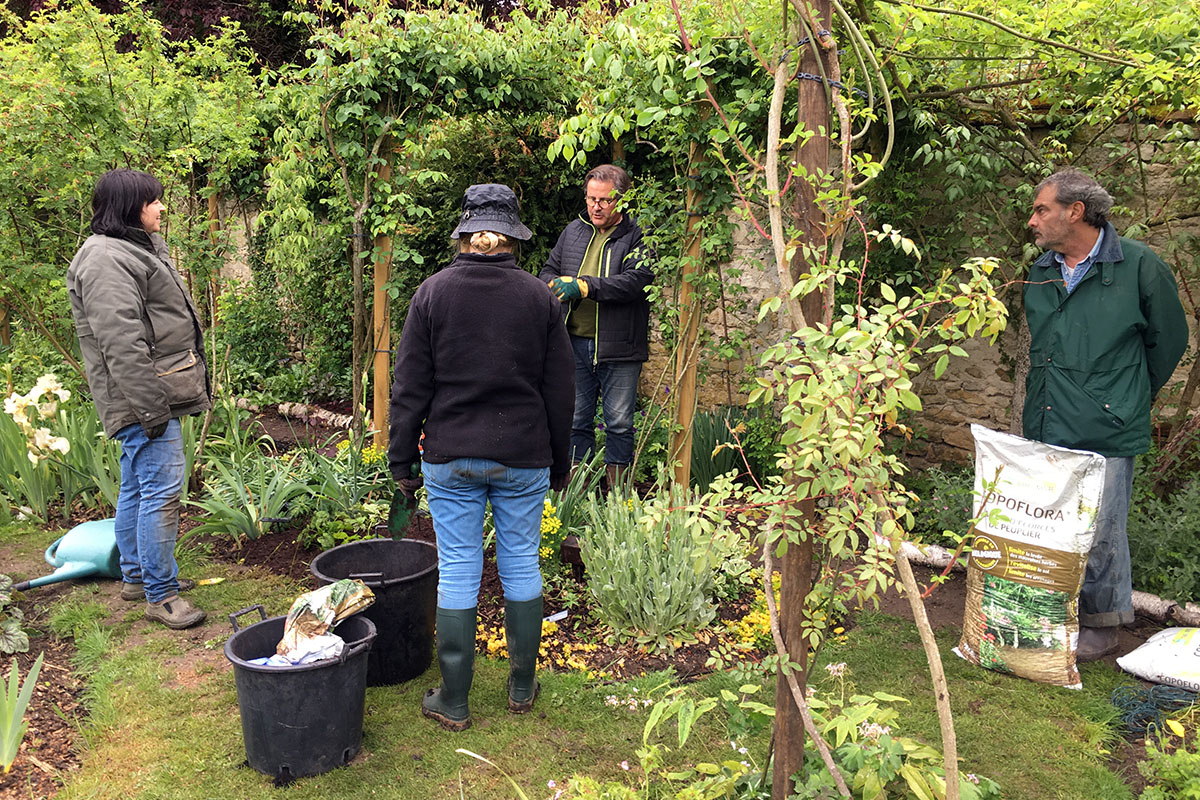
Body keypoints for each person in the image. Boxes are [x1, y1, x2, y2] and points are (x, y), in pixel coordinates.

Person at [389, 184, 574, 731]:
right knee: (520, 565)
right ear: (514, 233)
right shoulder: (540, 298)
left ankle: (455, 698)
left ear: (465, 232)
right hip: (523, 456)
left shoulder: (431, 294)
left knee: (459, 572)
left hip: (451, 455)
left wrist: (402, 465)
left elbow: (409, 389)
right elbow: (560, 392)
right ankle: (521, 687)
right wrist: (558, 463)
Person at [1023, 167, 1187, 661]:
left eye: (1041, 209)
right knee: (1047, 523)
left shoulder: (1137, 266)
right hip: (1047, 415)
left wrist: (1125, 396)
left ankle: (1101, 624)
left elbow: (1169, 340)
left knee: (1100, 528)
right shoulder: (1042, 269)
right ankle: (1051, 614)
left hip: (1107, 423)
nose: (1032, 220)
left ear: (1075, 212)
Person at [66, 169, 210, 629]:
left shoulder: (132, 247)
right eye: (154, 201)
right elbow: (121, 343)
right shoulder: (106, 258)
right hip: (141, 397)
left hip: (150, 391)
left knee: (137, 484)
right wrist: (151, 410)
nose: (162, 208)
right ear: (130, 207)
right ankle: (161, 594)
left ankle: (136, 576)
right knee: (163, 492)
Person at [540, 164, 653, 489]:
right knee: (576, 419)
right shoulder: (574, 231)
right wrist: (554, 284)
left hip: (620, 346)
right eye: (591, 199)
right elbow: (548, 269)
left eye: (604, 200)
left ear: (622, 200)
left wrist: (586, 287)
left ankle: (618, 496)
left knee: (618, 422)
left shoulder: (638, 234)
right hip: (572, 342)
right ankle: (578, 491)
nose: (596, 206)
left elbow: (637, 281)